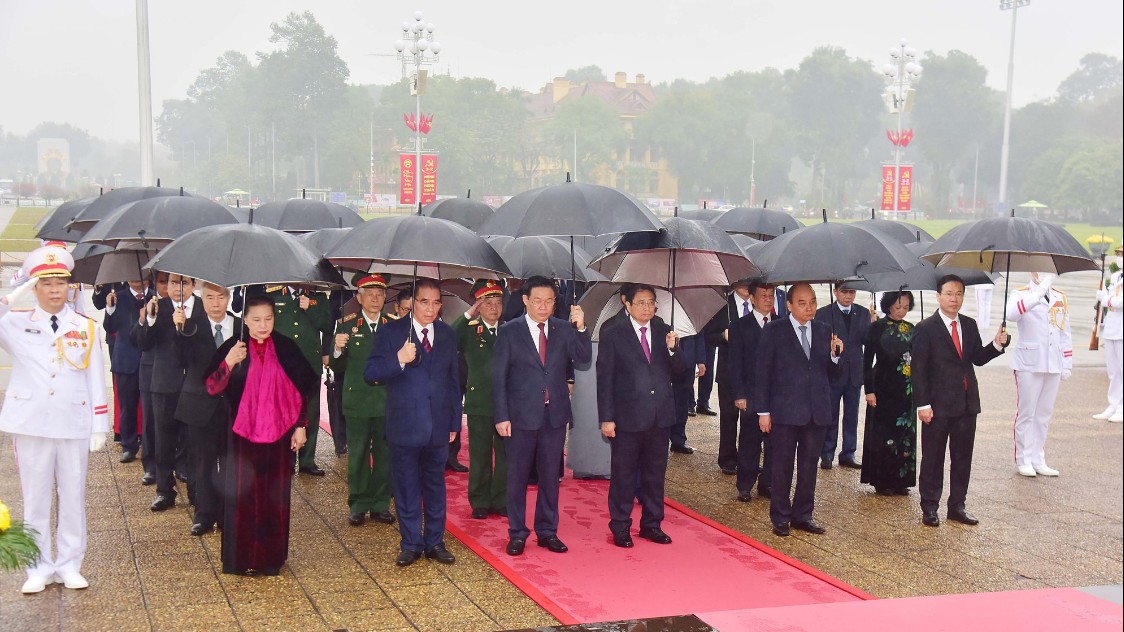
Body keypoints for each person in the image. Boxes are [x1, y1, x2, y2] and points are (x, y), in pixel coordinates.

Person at [0, 247, 108, 594]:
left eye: (61, 282)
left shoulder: (85, 327)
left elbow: (95, 378)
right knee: (34, 497)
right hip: (31, 422)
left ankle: (69, 564)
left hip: (72, 422)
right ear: (35, 287)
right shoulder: (16, 324)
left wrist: (100, 424)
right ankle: (38, 567)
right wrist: (8, 298)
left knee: (73, 494)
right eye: (46, 283)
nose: (55, 289)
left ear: (69, 286)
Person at [205, 294, 317, 575]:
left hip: (279, 436)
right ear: (244, 320)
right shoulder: (235, 346)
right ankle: (239, 559)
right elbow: (210, 387)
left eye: (268, 318)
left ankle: (270, 560)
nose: (263, 325)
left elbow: (305, 386)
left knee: (274, 498)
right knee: (241, 498)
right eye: (256, 320)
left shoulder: (287, 347)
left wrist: (301, 425)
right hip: (241, 436)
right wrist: (229, 363)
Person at [366, 279, 462, 567]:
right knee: (407, 488)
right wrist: (399, 359)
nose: (430, 308)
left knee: (435, 486)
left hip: (438, 425)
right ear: (412, 302)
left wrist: (455, 421)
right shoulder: (392, 332)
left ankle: (435, 541)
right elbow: (370, 372)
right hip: (404, 425)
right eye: (424, 302)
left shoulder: (446, 334)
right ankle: (410, 544)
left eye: (435, 303)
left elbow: (454, 380)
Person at [492, 276, 591, 556]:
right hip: (520, 416)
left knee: (550, 477)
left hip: (554, 416)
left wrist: (581, 326)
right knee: (517, 477)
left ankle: (547, 531)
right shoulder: (509, 331)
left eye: (549, 301)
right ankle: (518, 532)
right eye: (537, 301)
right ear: (525, 300)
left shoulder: (563, 328)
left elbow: (583, 357)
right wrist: (501, 416)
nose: (543, 306)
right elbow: (498, 378)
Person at [912, 274, 1008, 527]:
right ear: (938, 296)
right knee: (933, 458)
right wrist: (922, 405)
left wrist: (997, 346)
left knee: (962, 457)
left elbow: (977, 358)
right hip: (937, 405)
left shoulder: (969, 324)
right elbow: (918, 370)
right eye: (949, 294)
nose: (954, 299)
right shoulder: (925, 328)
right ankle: (929, 507)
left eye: (959, 294)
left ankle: (957, 506)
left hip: (966, 404)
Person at [597, 284, 683, 547]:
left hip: (660, 415)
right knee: (623, 474)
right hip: (627, 417)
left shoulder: (663, 330)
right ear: (628, 305)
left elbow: (681, 372)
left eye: (651, 302)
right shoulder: (613, 333)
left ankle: (652, 524)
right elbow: (605, 379)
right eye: (642, 303)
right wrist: (607, 417)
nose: (648, 308)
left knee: (655, 474)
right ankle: (621, 526)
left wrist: (673, 350)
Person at [756, 283, 842, 537]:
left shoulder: (825, 330)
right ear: (789, 305)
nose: (809, 308)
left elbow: (832, 373)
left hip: (816, 411)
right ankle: (780, 517)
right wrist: (763, 411)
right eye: (802, 303)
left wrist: (836, 356)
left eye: (813, 302)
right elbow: (763, 373)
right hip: (784, 410)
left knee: (809, 467)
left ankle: (803, 515)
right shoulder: (774, 331)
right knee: (782, 466)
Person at [330, 274, 396, 527]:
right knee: (357, 454)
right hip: (357, 400)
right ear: (359, 298)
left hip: (385, 401)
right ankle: (358, 503)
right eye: (369, 293)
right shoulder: (346, 325)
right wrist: (337, 349)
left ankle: (379, 504)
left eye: (379, 293)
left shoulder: (393, 325)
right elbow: (337, 366)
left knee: (383, 454)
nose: (375, 298)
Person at [133, 274, 199, 512]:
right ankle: (164, 490)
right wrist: (149, 319)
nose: (177, 288)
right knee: (164, 439)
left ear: (193, 285)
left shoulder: (201, 307)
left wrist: (185, 325)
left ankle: (195, 491)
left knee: (192, 440)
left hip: (192, 384)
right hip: (164, 383)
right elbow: (142, 343)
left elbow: (200, 345)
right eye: (173, 283)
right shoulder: (156, 307)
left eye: (184, 283)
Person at [177, 283, 237, 536]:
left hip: (232, 406)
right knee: (203, 463)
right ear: (201, 299)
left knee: (231, 462)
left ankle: (228, 513)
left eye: (220, 297)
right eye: (209, 297)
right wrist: (178, 329)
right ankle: (204, 514)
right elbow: (180, 360)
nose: (215, 303)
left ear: (229, 298)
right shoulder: (190, 327)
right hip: (199, 404)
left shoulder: (240, 326)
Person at [1006, 273, 1072, 477]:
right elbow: (1012, 314)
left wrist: (1067, 361)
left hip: (1053, 361)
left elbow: (1064, 331)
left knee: (1044, 414)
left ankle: (1038, 457)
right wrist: (1039, 292)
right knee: (1027, 413)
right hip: (1029, 362)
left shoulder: (1059, 296)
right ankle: (1023, 459)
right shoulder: (1021, 293)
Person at [453, 279, 509, 519]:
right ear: (479, 305)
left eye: (498, 303)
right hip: (480, 401)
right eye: (487, 303)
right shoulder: (469, 330)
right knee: (480, 454)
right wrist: (468, 313)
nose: (494, 308)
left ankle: (501, 499)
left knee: (506, 455)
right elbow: (449, 337)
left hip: (506, 403)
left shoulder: (509, 330)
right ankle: (480, 501)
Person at [265, 284, 333, 476]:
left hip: (310, 364)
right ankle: (285, 459)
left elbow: (327, 325)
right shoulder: (273, 295)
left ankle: (307, 460)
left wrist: (310, 308)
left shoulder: (317, 297)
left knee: (311, 413)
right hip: (283, 364)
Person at [860, 291, 917, 496]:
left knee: (905, 434)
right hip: (883, 385)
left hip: (906, 387)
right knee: (884, 433)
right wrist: (869, 390)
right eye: (898, 306)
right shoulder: (876, 328)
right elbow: (867, 362)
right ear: (888, 305)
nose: (901, 311)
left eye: (905, 307)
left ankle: (902, 479)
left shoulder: (912, 329)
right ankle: (882, 480)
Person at [727, 281, 775, 503]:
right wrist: (739, 394)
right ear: (753, 299)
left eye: (771, 294)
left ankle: (768, 483)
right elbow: (734, 362)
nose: (768, 298)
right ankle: (745, 484)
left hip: (777, 394)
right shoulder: (740, 326)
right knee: (749, 440)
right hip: (751, 392)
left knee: (775, 442)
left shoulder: (781, 324)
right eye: (763, 295)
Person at [703, 279, 756, 475]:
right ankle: (727, 458)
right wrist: (723, 336)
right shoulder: (723, 306)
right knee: (729, 417)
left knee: (751, 419)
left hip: (753, 373)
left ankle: (748, 458)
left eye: (748, 281)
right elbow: (709, 335)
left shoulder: (758, 304)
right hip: (728, 371)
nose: (745, 285)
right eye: (740, 281)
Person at [816, 286, 870, 470]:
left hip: (855, 371)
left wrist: (875, 325)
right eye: (844, 292)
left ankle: (848, 453)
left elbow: (867, 341)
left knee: (852, 414)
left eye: (852, 292)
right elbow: (818, 342)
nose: (848, 296)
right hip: (833, 370)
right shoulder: (823, 313)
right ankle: (827, 453)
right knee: (830, 413)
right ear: (835, 292)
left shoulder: (863, 313)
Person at [102, 280, 151, 464]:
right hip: (125, 359)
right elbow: (110, 327)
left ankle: (150, 447)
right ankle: (128, 445)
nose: (137, 280)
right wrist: (110, 308)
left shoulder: (155, 297)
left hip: (149, 359)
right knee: (127, 406)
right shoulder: (118, 297)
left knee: (150, 409)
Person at [1095, 245, 1123, 423]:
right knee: (1113, 371)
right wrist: (1104, 296)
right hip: (1112, 327)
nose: (1120, 257)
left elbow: (1119, 303)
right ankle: (1113, 405)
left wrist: (1104, 299)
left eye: (1122, 255)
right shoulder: (1114, 277)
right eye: (1119, 254)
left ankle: (1121, 407)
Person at [670, 333, 705, 454]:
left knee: (682, 402)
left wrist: (701, 361)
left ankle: (678, 440)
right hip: (664, 361)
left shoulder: (692, 316)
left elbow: (699, 333)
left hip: (688, 362)